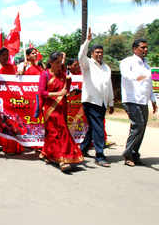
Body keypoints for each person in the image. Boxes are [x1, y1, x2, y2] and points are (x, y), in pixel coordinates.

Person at [38, 52, 83, 172]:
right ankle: (61, 159)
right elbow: (42, 92)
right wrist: (58, 94)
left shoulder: (64, 76)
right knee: (54, 133)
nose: (59, 65)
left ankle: (48, 153)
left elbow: (66, 91)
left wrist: (70, 93)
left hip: (62, 107)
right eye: (57, 63)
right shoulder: (45, 75)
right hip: (50, 109)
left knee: (62, 132)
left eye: (60, 63)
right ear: (50, 63)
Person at [78, 28, 114, 167]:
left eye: (101, 52)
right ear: (92, 54)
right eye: (97, 52)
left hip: (103, 102)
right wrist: (88, 40)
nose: (99, 54)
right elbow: (81, 55)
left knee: (94, 127)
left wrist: (111, 102)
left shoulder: (106, 68)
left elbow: (109, 85)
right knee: (98, 127)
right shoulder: (86, 64)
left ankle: (82, 149)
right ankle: (100, 155)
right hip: (91, 101)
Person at [120, 38, 157, 167]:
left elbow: (149, 84)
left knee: (141, 128)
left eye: (146, 47)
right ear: (134, 49)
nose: (145, 50)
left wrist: (153, 100)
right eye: (142, 47)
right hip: (131, 99)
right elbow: (125, 75)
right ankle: (127, 153)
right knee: (138, 125)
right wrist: (137, 77)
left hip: (143, 100)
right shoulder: (127, 62)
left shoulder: (147, 65)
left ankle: (135, 153)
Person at [0, 47, 23, 155]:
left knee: (13, 122)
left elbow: (16, 80)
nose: (6, 57)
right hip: (0, 99)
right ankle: (4, 144)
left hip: (11, 98)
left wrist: (20, 74)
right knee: (3, 123)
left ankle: (13, 147)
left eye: (7, 55)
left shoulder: (12, 67)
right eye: (3, 55)